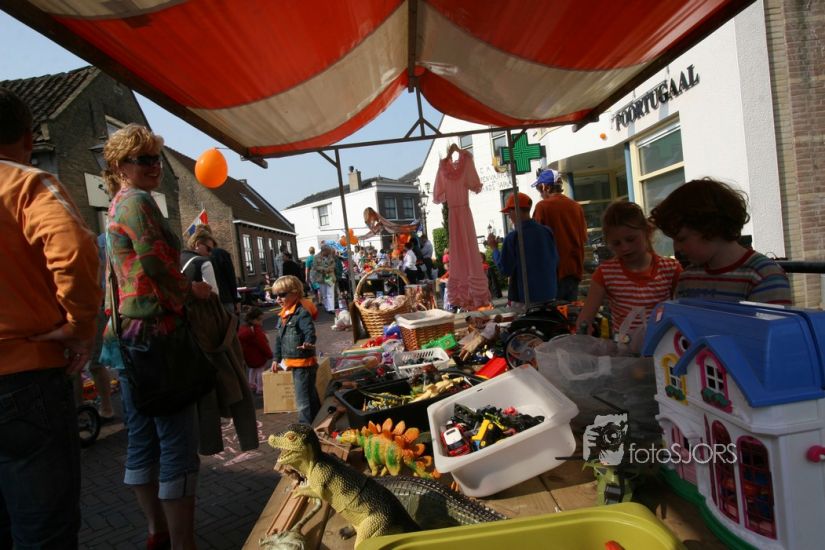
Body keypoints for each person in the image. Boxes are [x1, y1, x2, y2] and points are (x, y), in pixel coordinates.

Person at [102, 123, 212, 550]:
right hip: (157, 337)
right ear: (119, 166)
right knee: (176, 444)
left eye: (156, 159)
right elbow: (155, 264)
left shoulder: (115, 205)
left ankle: (157, 532)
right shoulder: (138, 201)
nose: (154, 166)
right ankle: (183, 543)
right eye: (143, 159)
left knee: (141, 438)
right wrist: (191, 290)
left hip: (128, 339)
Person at [0, 86, 102, 549]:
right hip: (24, 378)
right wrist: (80, 327)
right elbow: (74, 249)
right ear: (28, 138)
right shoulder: (25, 183)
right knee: (44, 534)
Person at [649, 178, 791, 305]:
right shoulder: (688, 277)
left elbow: (772, 326)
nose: (676, 248)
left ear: (711, 228)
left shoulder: (764, 276)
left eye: (681, 239)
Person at [575, 201, 683, 342]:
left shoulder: (671, 269)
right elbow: (585, 320)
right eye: (616, 243)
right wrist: (583, 335)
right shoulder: (605, 273)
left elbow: (683, 314)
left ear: (647, 232)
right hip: (624, 349)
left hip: (663, 348)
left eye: (631, 239)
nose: (625, 247)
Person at [487, 192, 559, 305]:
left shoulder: (513, 237)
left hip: (525, 298)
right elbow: (556, 260)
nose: (509, 216)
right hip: (549, 293)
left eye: (509, 212)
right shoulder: (546, 231)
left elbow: (505, 270)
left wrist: (494, 249)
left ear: (516, 210)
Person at [271, 275, 321, 425]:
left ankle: (305, 427)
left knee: (302, 399)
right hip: (294, 361)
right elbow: (279, 339)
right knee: (309, 394)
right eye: (275, 296)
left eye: (282, 295)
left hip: (303, 362)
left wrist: (308, 342)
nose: (278, 299)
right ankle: (319, 420)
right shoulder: (283, 314)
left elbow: (309, 331)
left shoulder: (301, 313)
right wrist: (276, 359)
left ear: (295, 293)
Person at [531, 169, 587, 301]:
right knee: (570, 311)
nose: (540, 194)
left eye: (539, 189)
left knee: (553, 312)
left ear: (546, 187)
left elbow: (535, 242)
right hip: (574, 270)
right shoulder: (576, 207)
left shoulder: (542, 207)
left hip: (553, 272)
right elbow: (583, 238)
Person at [238, 307, 272, 394]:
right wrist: (269, 354)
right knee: (260, 370)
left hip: (248, 355)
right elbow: (262, 344)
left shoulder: (243, 329)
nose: (261, 322)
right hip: (258, 355)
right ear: (253, 320)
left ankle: (251, 384)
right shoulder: (256, 330)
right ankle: (260, 388)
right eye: (260, 320)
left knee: (252, 369)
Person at [181, 226, 219, 295]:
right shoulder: (204, 263)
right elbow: (213, 293)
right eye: (208, 249)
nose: (210, 254)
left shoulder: (178, 257)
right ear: (197, 244)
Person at [310, 245, 336, 313]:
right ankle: (327, 307)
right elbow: (315, 267)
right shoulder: (316, 257)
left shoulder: (330, 256)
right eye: (328, 251)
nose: (329, 253)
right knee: (324, 294)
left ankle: (331, 308)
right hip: (321, 278)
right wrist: (324, 269)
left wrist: (329, 269)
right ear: (324, 251)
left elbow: (333, 264)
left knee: (330, 293)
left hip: (330, 277)